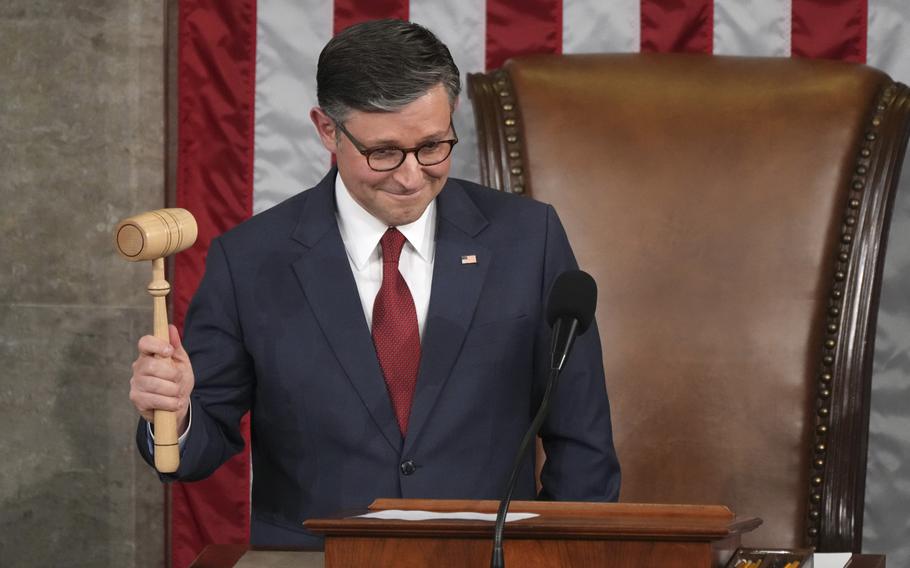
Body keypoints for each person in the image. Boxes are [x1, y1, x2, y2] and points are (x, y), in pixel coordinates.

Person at [129, 18, 620, 548]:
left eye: (433, 146)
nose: (411, 176)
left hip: (486, 559)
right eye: (383, 152)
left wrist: (556, 556)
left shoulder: (529, 238)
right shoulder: (249, 260)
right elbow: (198, 448)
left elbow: (582, 441)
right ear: (326, 130)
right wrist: (174, 416)